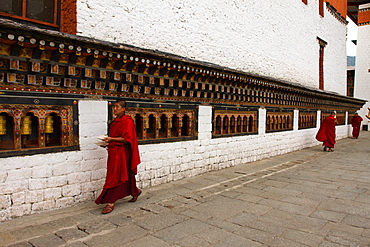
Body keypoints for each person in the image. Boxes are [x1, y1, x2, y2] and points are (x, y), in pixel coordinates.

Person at [95, 99, 142, 214]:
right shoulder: (116, 121)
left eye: (117, 107)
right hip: (114, 151)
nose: (114, 109)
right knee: (124, 174)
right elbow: (116, 137)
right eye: (114, 107)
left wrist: (111, 139)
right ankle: (135, 191)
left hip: (122, 152)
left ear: (123, 109)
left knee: (115, 175)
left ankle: (110, 202)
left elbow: (127, 139)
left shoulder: (127, 121)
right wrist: (108, 142)